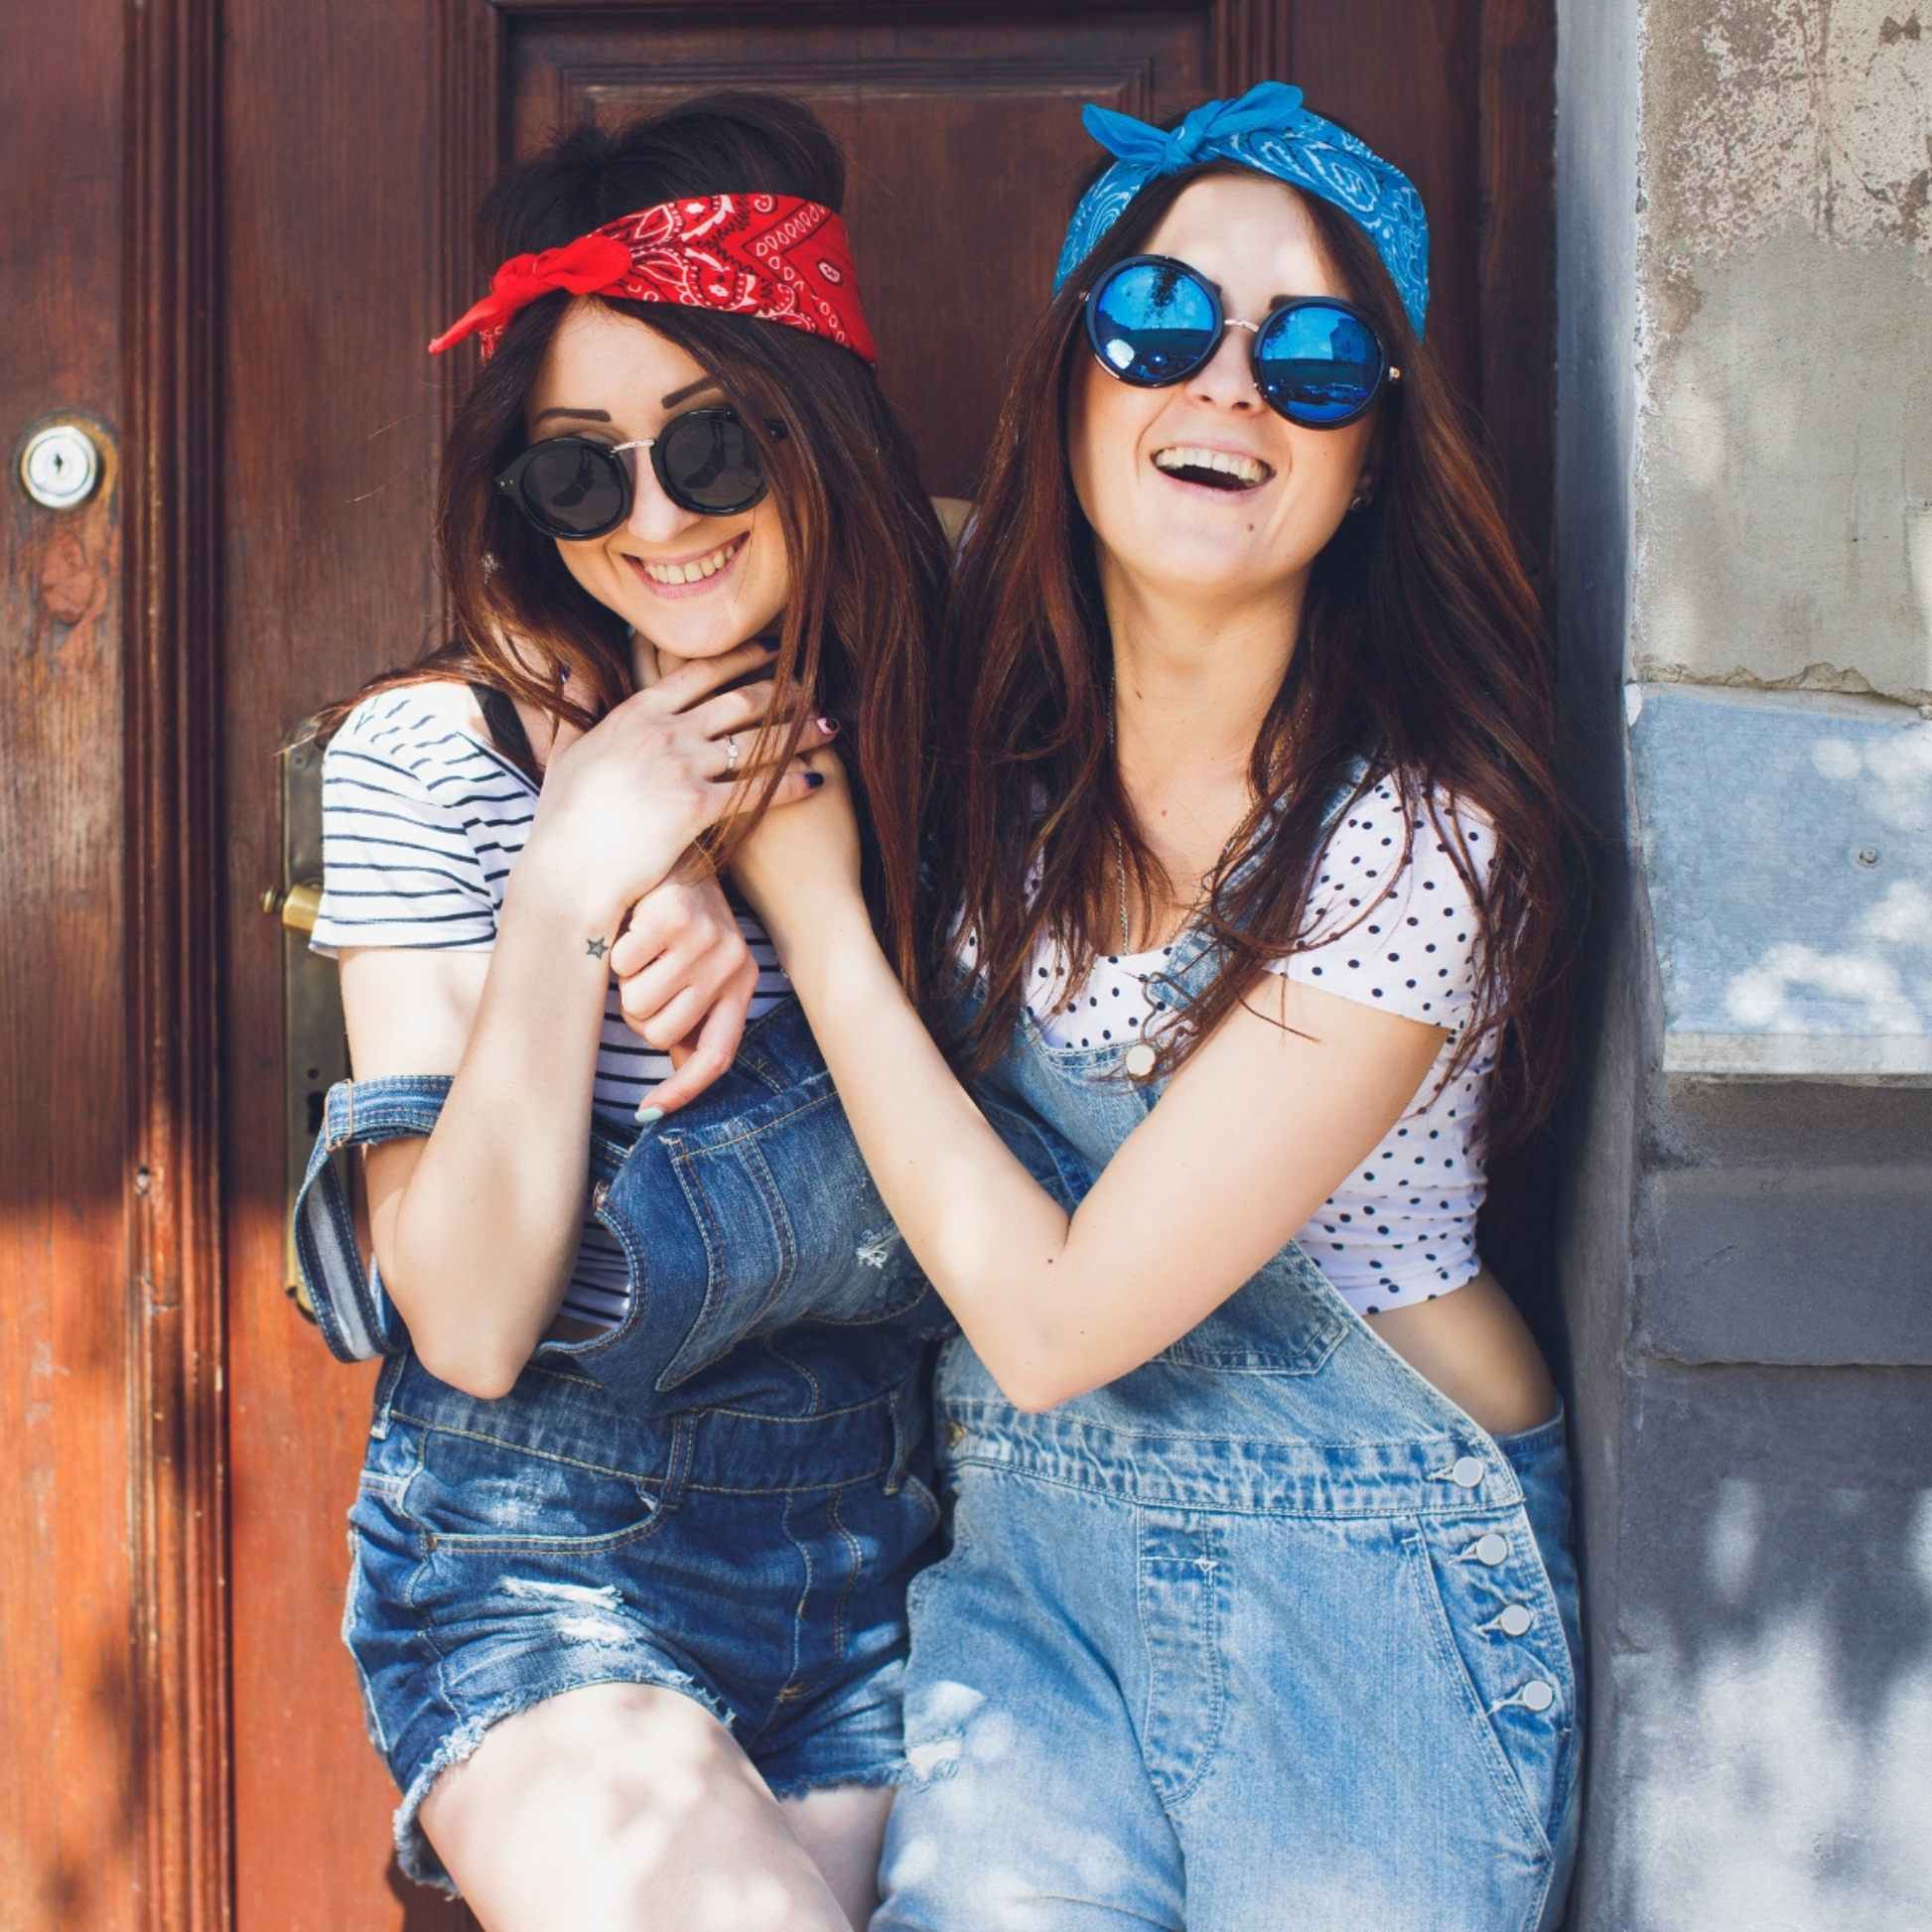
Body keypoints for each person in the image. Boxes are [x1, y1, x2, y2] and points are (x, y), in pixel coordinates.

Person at [727, 82, 1582, 1930]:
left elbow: (1055, 1323)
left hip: (1364, 1598)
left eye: (1317, 358)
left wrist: (819, 923)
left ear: (1374, 455)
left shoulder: (1414, 838)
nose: (1228, 387)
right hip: (1034, 1574)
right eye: (1161, 320)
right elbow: (673, 552)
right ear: (1070, 380)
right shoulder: (970, 730)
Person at [295, 95, 953, 1930]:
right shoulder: (434, 759)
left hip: (897, 1579)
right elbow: (466, 1318)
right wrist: (571, 882)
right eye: (580, 474)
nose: (656, 519)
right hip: (540, 1572)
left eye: (713, 442)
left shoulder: (950, 727)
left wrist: (762, 857)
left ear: (817, 428)